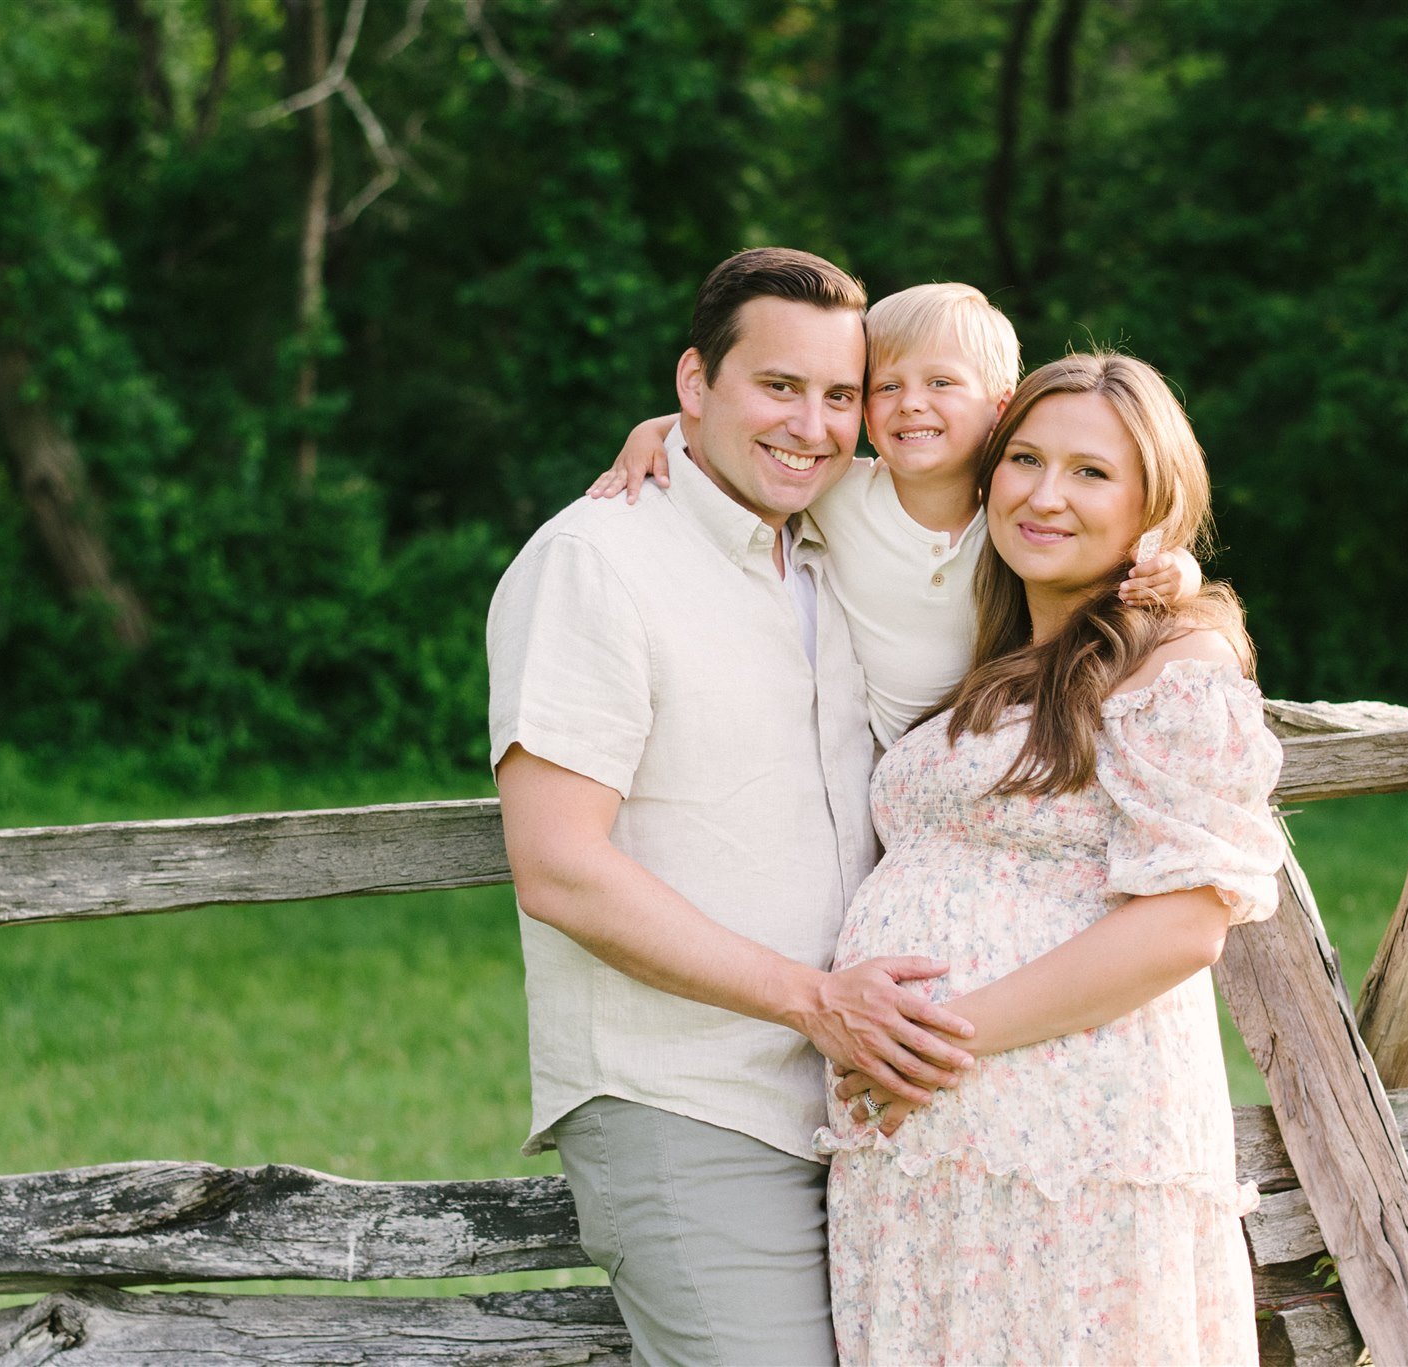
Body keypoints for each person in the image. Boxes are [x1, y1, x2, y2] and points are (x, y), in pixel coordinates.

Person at [486, 247, 981, 1367]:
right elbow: (558, 863)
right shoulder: (594, 563)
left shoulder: (833, 553)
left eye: (838, 395)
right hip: (688, 1101)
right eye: (776, 385)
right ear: (692, 383)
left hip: (859, 1109)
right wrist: (814, 1001)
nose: (812, 424)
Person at [819, 351, 1288, 1365]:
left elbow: (1180, 924)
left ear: (1152, 503)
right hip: (934, 1153)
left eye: (1089, 472)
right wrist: (666, 442)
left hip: (1067, 1152)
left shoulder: (1178, 663)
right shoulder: (992, 658)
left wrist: (937, 1041)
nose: (1043, 493)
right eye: (1024, 457)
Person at [589, 281, 1202, 749]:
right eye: (885, 387)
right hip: (872, 763)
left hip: (993, 742)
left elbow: (1124, 560)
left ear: (1002, 406)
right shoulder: (838, 493)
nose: (911, 404)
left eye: (940, 383)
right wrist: (657, 430)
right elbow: (744, 435)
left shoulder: (1019, 520)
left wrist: (1180, 571)